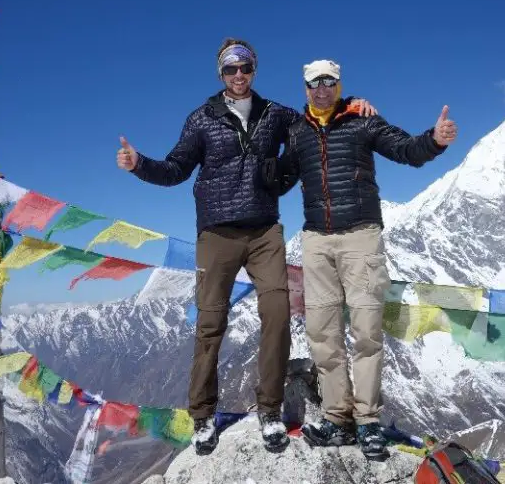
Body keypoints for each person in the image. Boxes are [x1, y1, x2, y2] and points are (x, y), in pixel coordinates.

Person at [116, 40, 376, 456]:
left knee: (276, 316)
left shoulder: (276, 115)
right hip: (217, 233)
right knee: (210, 325)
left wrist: (351, 104)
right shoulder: (201, 119)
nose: (239, 76)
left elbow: (316, 119)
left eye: (246, 68)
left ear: (255, 70)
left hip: (264, 232)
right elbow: (176, 169)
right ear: (220, 73)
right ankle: (203, 417)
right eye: (230, 70)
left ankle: (270, 411)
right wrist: (139, 164)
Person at [269, 58, 457, 460]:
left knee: (367, 332)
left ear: (339, 85)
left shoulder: (363, 120)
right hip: (316, 240)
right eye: (314, 82)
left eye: (329, 81)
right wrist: (250, 165)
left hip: (361, 237)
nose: (322, 88)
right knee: (323, 333)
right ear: (305, 88)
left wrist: (435, 140)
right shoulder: (297, 131)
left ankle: (368, 421)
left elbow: (405, 149)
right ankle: (338, 418)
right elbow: (280, 179)